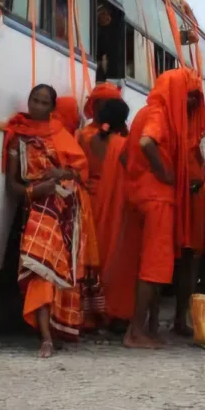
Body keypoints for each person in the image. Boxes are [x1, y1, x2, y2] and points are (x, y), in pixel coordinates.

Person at [3, 84, 95, 358]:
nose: (38, 106)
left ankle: (57, 329)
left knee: (59, 273)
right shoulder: (17, 137)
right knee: (39, 268)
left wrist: (61, 172)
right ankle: (45, 337)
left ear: (52, 109)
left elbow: (80, 173)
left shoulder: (60, 135)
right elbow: (12, 186)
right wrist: (35, 191)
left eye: (44, 103)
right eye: (35, 100)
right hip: (37, 212)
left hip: (65, 212)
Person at [119, 68, 204, 349]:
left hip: (142, 196)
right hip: (157, 199)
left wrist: (138, 177)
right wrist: (164, 173)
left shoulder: (145, 112)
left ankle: (147, 328)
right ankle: (135, 333)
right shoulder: (160, 114)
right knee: (154, 266)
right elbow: (146, 143)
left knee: (148, 265)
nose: (193, 103)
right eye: (190, 96)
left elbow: (123, 155)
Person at [174, 108, 205, 336]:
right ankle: (182, 317)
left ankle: (202, 318)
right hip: (183, 199)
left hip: (204, 200)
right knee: (188, 261)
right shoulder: (173, 117)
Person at [89, 99, 133, 329]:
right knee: (117, 256)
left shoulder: (90, 139)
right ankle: (114, 311)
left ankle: (94, 311)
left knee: (98, 254)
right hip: (117, 204)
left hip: (94, 202)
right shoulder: (123, 144)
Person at [77, 83, 126, 196]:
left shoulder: (122, 136)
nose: (107, 109)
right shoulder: (84, 135)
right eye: (104, 104)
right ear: (94, 105)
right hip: (91, 195)